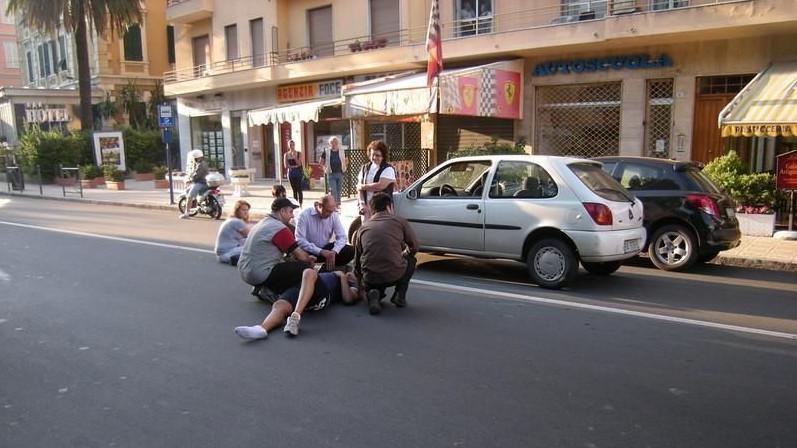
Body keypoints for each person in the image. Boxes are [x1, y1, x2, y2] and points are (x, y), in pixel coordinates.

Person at [234, 269, 360, 340]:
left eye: (354, 274)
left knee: (309, 272)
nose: (351, 272)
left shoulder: (351, 286)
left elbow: (348, 299)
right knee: (280, 305)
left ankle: (295, 318)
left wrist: (343, 277)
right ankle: (262, 329)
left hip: (322, 294)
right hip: (304, 287)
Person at [238, 197, 316, 299]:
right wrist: (309, 259)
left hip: (244, 271)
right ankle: (270, 289)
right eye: (290, 212)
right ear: (282, 211)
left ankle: (262, 286)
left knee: (287, 263)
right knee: (304, 268)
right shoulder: (279, 228)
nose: (292, 216)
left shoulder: (262, 223)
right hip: (258, 273)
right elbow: (301, 256)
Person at [354, 192, 418, 315]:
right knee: (411, 260)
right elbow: (414, 247)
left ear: (372, 210)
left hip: (370, 277)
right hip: (394, 274)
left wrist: (359, 284)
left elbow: (357, 260)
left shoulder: (362, 228)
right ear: (389, 207)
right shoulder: (400, 221)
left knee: (375, 268)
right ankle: (400, 295)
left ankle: (374, 294)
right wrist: (404, 253)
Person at [295, 194, 354, 271]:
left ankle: (326, 265)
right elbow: (300, 240)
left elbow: (342, 237)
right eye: (328, 211)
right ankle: (318, 266)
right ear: (319, 205)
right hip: (309, 251)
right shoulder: (304, 215)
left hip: (326, 250)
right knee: (299, 257)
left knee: (350, 250)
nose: (330, 215)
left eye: (332, 211)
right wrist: (320, 251)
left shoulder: (333, 215)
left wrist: (334, 251)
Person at [357, 140, 396, 222]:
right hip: (367, 208)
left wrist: (363, 187)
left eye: (377, 155)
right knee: (367, 231)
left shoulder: (388, 169)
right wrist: (362, 204)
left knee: (381, 231)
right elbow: (358, 188)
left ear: (383, 156)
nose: (374, 157)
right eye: (372, 155)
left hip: (382, 209)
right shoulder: (365, 168)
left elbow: (380, 186)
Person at [214, 200, 252, 266]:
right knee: (253, 246)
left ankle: (240, 259)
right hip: (227, 253)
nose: (246, 212)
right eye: (243, 210)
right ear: (237, 210)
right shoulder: (237, 221)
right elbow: (251, 235)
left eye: (247, 210)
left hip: (222, 255)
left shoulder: (231, 219)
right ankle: (239, 259)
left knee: (246, 242)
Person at [180, 149, 209, 219]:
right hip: (204, 182)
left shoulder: (200, 165)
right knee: (188, 191)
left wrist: (190, 180)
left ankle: (186, 213)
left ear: (196, 158)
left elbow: (196, 175)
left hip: (200, 183)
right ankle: (197, 205)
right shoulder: (203, 163)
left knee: (190, 196)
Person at [320, 136, 348, 205]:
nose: (334, 144)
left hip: (340, 173)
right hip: (331, 174)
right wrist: (325, 169)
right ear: (330, 143)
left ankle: (338, 205)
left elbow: (347, 161)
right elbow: (321, 162)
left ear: (338, 143)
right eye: (332, 142)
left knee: (339, 190)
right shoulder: (326, 151)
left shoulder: (342, 151)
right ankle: (334, 205)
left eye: (335, 142)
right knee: (333, 191)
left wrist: (345, 167)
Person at [283, 140, 304, 206]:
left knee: (299, 189)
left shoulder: (298, 153)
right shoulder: (286, 154)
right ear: (288, 146)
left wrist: (295, 157)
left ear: (294, 145)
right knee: (294, 189)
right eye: (290, 145)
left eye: (293, 145)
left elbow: (299, 164)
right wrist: (290, 166)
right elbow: (285, 165)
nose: (292, 146)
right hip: (291, 172)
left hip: (298, 172)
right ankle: (295, 203)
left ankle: (300, 204)